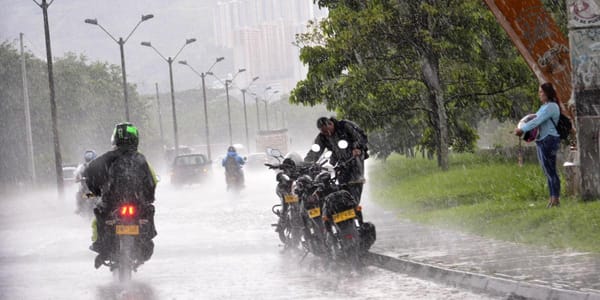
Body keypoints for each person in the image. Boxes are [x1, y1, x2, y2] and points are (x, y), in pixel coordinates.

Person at [84, 122, 158, 268]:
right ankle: (139, 246)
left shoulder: (108, 158)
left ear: (116, 139)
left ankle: (102, 246)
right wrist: (148, 197)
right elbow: (152, 181)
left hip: (112, 204)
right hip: (138, 204)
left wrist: (96, 191)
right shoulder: (141, 159)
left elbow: (90, 173)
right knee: (148, 213)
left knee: (99, 215)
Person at [514, 82, 561, 208]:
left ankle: (555, 198)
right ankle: (552, 198)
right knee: (547, 171)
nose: (539, 94)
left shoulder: (552, 107)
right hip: (541, 140)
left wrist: (522, 130)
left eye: (541, 92)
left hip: (549, 139)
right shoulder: (544, 107)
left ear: (547, 93)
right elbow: (533, 118)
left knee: (551, 171)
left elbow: (537, 121)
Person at [304, 117, 368, 203]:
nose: (328, 134)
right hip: (340, 164)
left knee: (355, 185)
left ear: (330, 124)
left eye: (327, 131)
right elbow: (315, 152)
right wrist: (306, 164)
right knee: (341, 188)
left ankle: (354, 207)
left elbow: (361, 137)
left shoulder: (345, 126)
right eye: (324, 132)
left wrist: (357, 148)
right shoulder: (323, 137)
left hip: (354, 160)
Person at [74, 150, 97, 215]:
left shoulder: (98, 166)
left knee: (100, 197)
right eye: (88, 159)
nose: (89, 161)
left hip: (95, 189)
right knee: (79, 195)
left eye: (91, 159)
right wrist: (78, 178)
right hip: (85, 189)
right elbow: (77, 175)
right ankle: (79, 208)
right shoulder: (82, 167)